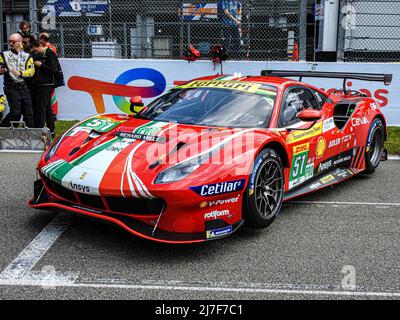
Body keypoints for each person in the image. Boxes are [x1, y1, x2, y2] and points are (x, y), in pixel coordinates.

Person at [0, 33, 35, 128]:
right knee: (16, 113)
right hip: (11, 87)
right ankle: (3, 131)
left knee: (29, 113)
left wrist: (21, 73)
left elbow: (31, 71)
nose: (10, 43)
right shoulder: (4, 54)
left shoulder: (27, 56)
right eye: (9, 41)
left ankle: (28, 136)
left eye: (13, 42)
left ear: (20, 42)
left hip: (23, 87)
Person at [31, 40, 61, 135]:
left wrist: (41, 65)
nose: (36, 53)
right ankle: (51, 129)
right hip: (43, 84)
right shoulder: (42, 54)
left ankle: (39, 130)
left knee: (41, 107)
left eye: (36, 50)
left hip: (47, 84)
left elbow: (53, 69)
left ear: (40, 45)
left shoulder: (50, 53)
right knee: (47, 107)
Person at [39, 32, 59, 120]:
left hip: (51, 75)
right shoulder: (44, 47)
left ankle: (53, 113)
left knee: (52, 95)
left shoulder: (51, 48)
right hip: (43, 75)